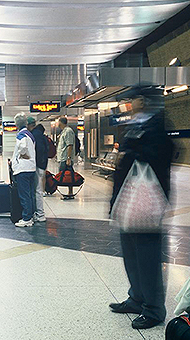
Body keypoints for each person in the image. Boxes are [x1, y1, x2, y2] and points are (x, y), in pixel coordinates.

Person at [109, 87, 173, 330]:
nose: (129, 103)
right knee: (132, 256)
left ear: (142, 100)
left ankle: (154, 309)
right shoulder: (134, 125)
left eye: (131, 99)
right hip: (128, 201)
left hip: (147, 202)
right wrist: (113, 202)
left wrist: (131, 150)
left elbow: (159, 156)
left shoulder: (159, 126)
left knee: (147, 257)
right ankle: (136, 298)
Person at [11, 113, 36, 228]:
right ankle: (30, 215)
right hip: (31, 168)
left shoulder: (21, 134)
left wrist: (22, 155)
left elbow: (23, 146)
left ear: (17, 124)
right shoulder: (30, 134)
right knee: (30, 194)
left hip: (23, 169)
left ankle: (27, 218)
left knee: (24, 195)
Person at [27, 116, 47, 222]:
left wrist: (34, 164)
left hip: (38, 166)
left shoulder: (35, 135)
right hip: (41, 165)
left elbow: (38, 152)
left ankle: (40, 214)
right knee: (37, 189)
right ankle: (38, 212)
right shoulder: (39, 134)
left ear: (30, 125)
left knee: (37, 190)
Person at [56, 117, 76, 199]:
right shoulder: (64, 131)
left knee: (67, 175)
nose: (57, 123)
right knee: (66, 175)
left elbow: (69, 145)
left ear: (61, 122)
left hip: (66, 158)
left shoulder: (68, 131)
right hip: (63, 157)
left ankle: (70, 193)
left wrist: (68, 158)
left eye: (58, 122)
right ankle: (69, 192)